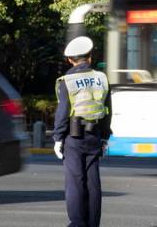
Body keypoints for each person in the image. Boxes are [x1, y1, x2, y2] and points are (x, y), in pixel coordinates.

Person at [53, 36, 111, 227]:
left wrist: (58, 138)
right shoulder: (101, 78)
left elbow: (63, 112)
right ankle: (93, 223)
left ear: (70, 59)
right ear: (90, 57)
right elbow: (107, 109)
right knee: (93, 182)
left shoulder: (67, 81)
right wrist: (104, 137)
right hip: (94, 134)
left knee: (75, 182)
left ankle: (78, 223)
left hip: (73, 137)